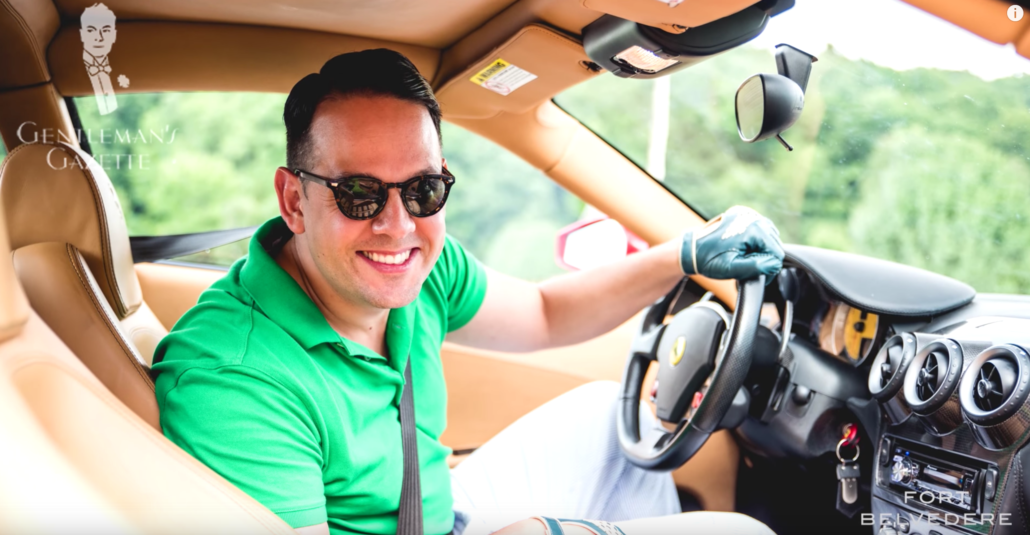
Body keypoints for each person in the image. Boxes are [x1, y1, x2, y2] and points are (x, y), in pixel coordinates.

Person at [152, 49, 783, 535]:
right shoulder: (234, 378)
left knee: (606, 413)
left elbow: (543, 313)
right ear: (294, 199)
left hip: (435, 511)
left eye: (423, 189)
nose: (396, 226)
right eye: (359, 194)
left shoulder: (422, 266)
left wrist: (683, 254)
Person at [79, 3, 119, 115]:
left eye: (106, 31)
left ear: (114, 35)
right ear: (82, 35)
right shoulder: (73, 67)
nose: (99, 38)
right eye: (91, 30)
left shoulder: (118, 68)